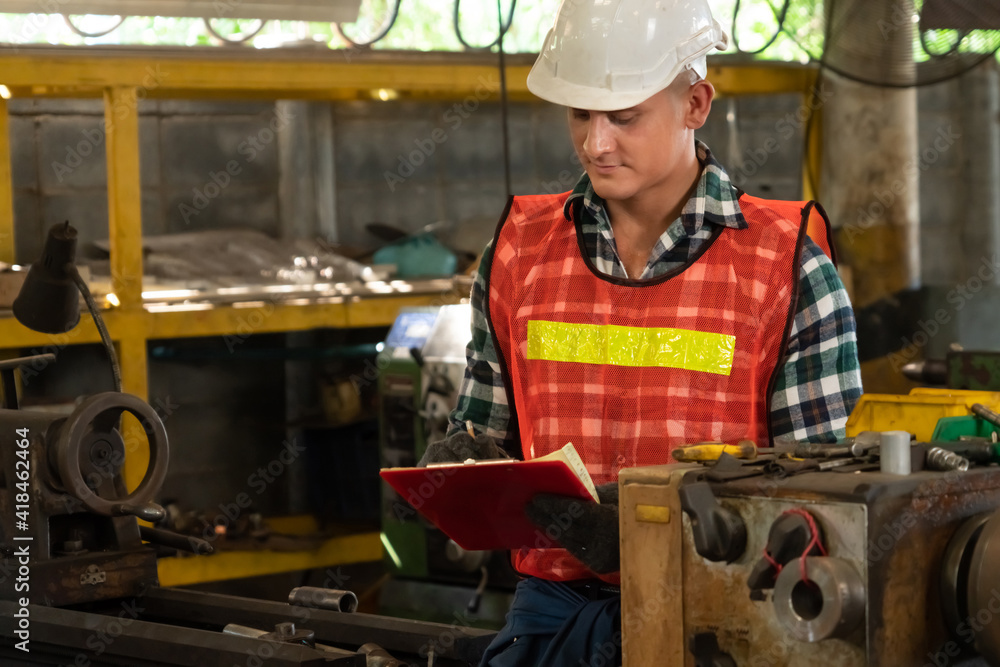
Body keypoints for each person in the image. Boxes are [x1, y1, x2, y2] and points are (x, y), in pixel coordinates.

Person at [419, 1, 863, 665]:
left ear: (696, 103)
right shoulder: (519, 253)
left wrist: (645, 533)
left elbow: (818, 514)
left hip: (721, 619)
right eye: (580, 114)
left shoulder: (787, 266)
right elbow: (491, 439)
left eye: (624, 116)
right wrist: (463, 466)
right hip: (550, 622)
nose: (596, 143)